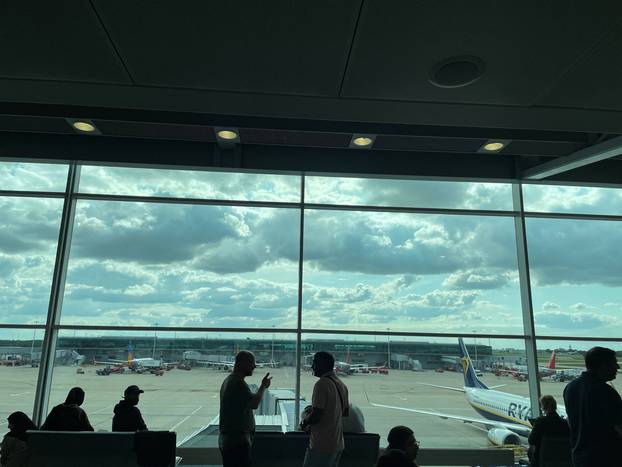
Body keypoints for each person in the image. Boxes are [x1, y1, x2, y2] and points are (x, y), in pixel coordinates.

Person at [563, 346, 622, 467]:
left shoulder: (570, 388)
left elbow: (571, 421)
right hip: (606, 458)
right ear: (602, 365)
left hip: (579, 458)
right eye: (614, 363)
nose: (618, 367)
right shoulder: (606, 392)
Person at [218, 351, 272, 467]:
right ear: (242, 363)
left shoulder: (229, 380)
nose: (254, 366)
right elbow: (254, 404)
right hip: (236, 442)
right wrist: (263, 387)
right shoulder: (238, 383)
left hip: (229, 440)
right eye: (252, 363)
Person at [300, 351, 349, 467]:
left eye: (314, 363)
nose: (312, 366)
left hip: (322, 445)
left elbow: (316, 416)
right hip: (338, 443)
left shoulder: (321, 384)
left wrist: (304, 422)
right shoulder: (341, 384)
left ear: (322, 364)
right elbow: (345, 412)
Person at [527, 395, 569, 467]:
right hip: (562, 461)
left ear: (543, 407)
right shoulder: (565, 423)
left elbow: (531, 441)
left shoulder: (540, 421)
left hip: (542, 461)